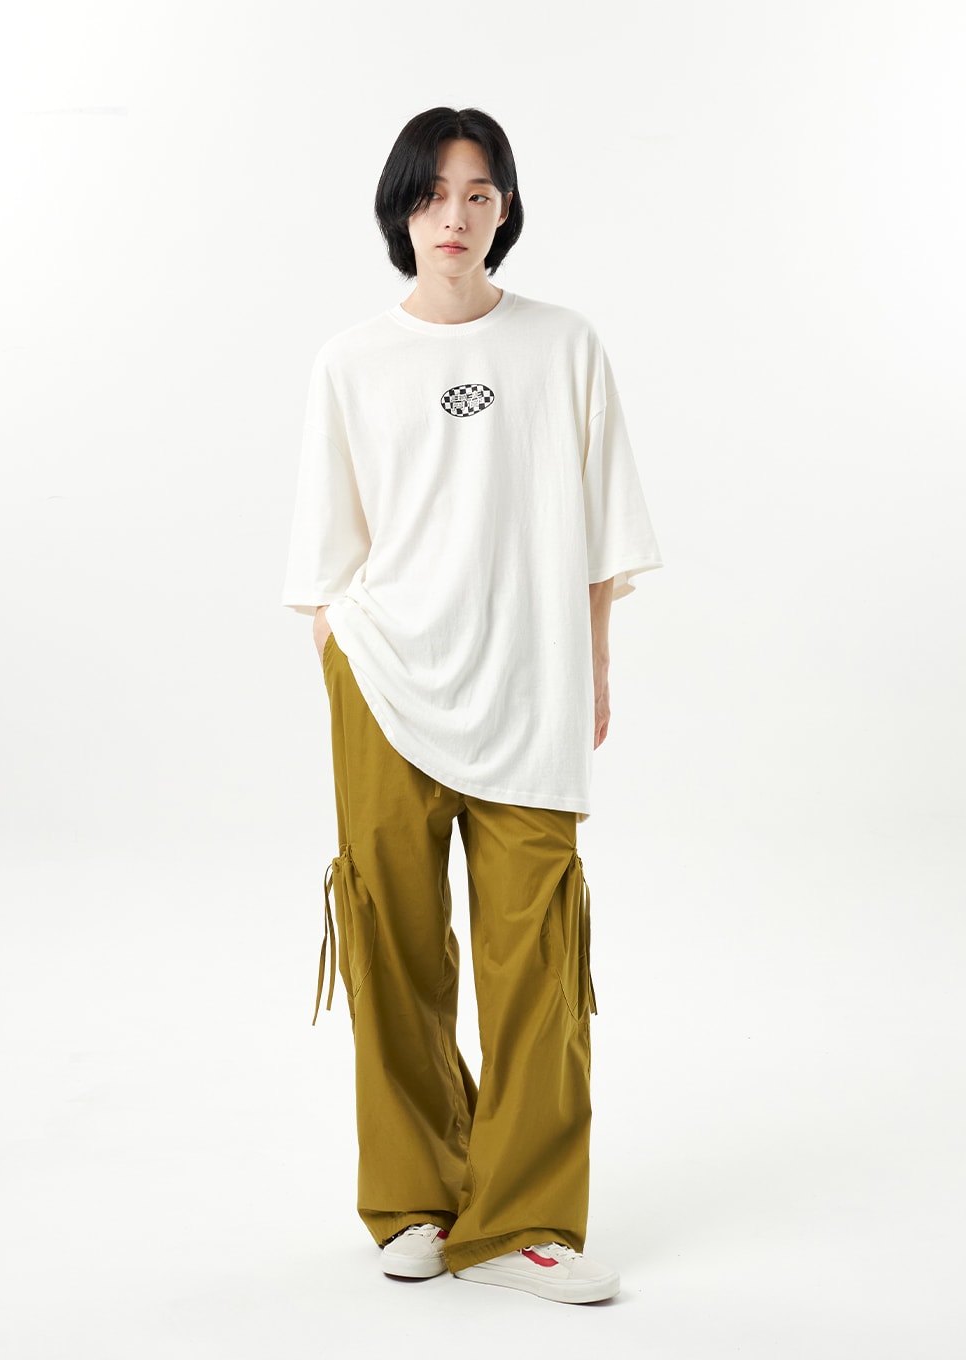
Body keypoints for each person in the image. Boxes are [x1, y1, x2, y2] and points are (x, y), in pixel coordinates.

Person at [281, 106, 662, 1305]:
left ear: (505, 209)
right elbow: (324, 558)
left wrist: (595, 665)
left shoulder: (563, 345)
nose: (455, 215)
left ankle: (526, 1219)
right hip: (385, 679)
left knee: (536, 952)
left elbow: (601, 526)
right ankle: (416, 1199)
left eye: (479, 192)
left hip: (532, 682)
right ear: (402, 209)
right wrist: (345, 650)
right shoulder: (350, 360)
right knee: (391, 939)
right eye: (433, 192)